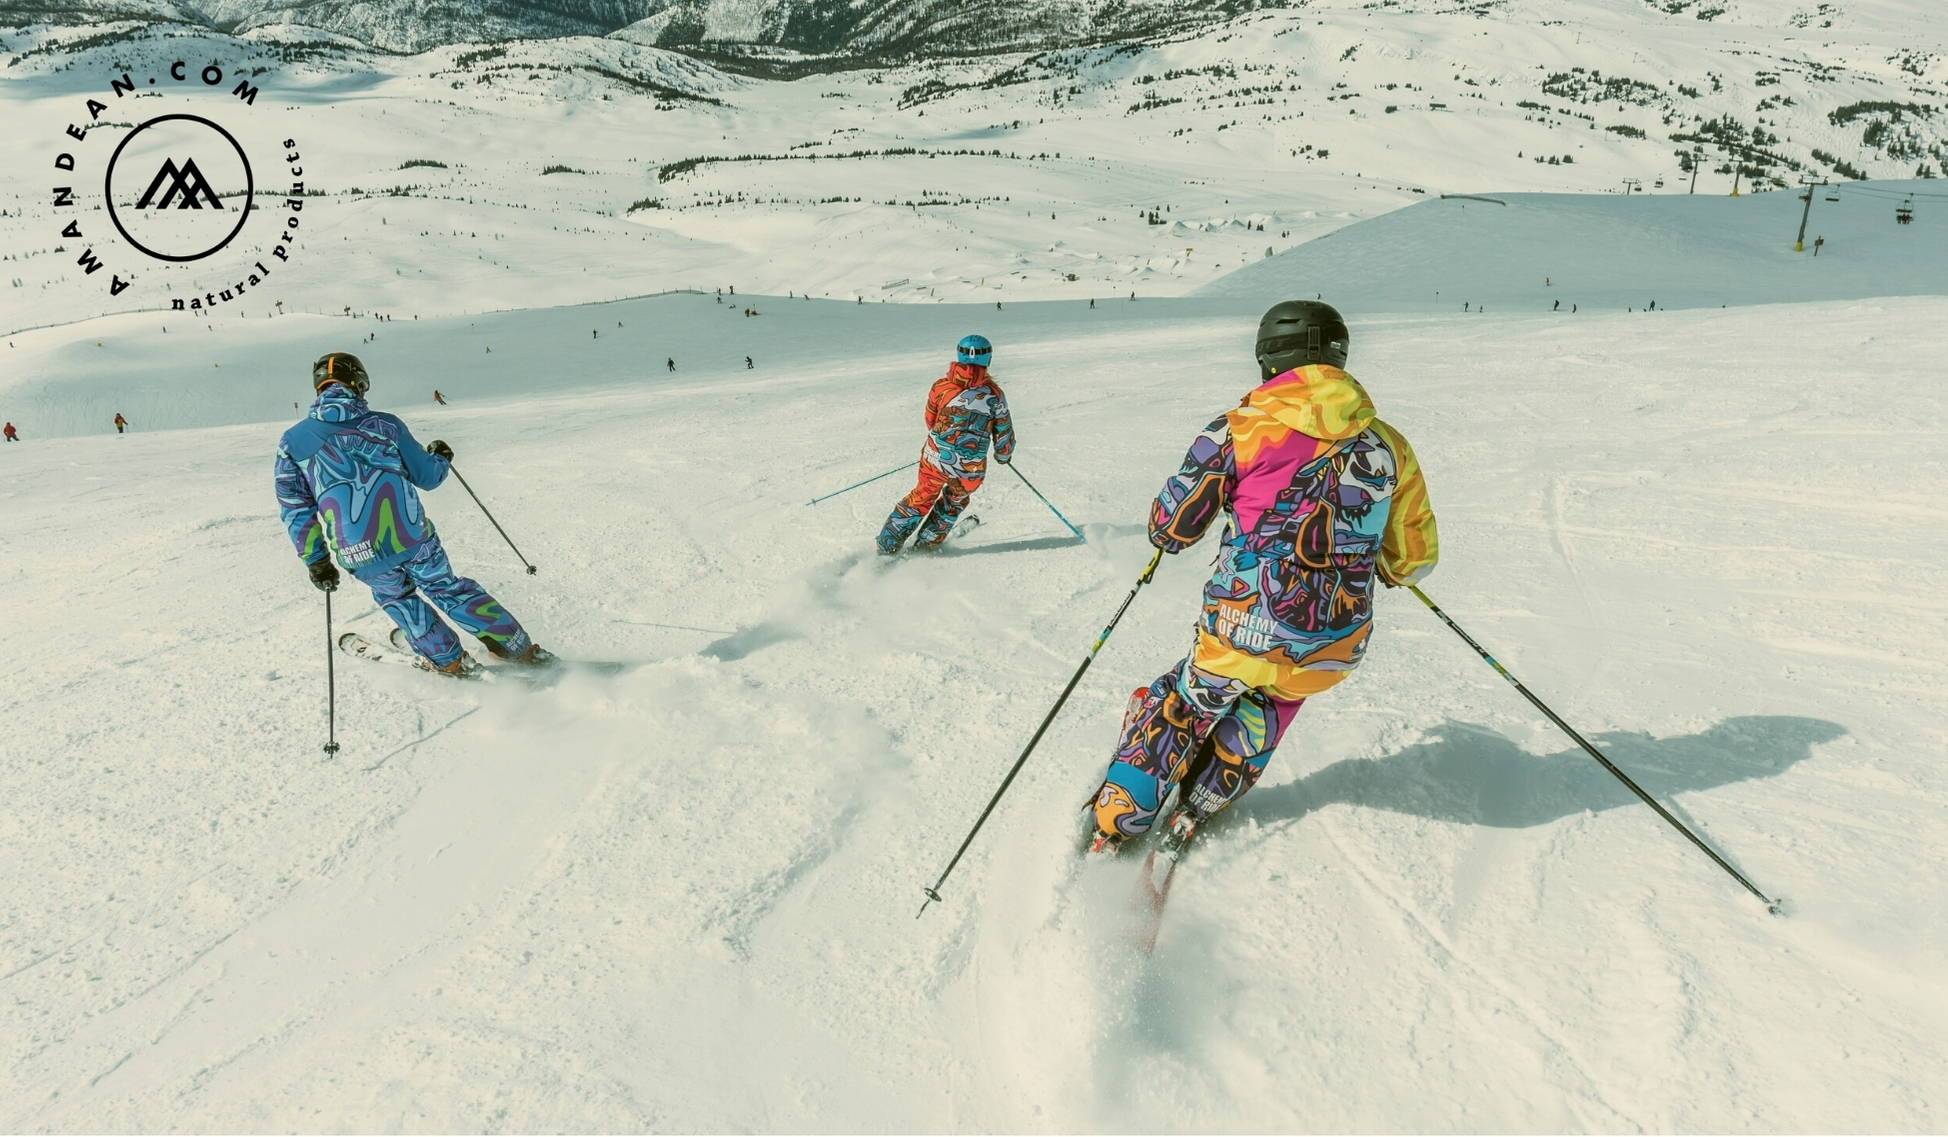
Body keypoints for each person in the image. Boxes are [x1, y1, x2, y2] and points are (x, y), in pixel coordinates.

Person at [1085, 301, 1439, 856]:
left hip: (1240, 627)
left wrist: (1168, 535)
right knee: (1273, 703)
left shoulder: (1239, 429)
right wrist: (1385, 563)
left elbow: (1173, 526)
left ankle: (1119, 817)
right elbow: (1411, 558)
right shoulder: (1388, 444)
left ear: (1269, 359)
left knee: (1187, 701)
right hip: (1333, 642)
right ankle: (1202, 801)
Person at [274, 352, 550, 676]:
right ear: (359, 383)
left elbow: (295, 506)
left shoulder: (292, 441)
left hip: (357, 550)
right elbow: (427, 477)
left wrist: (316, 560)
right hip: (411, 536)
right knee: (447, 588)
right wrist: (441, 457)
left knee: (399, 598)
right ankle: (517, 648)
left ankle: (449, 661)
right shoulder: (385, 425)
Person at [875, 334, 1015, 555]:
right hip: (969, 468)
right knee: (955, 500)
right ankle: (927, 543)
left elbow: (930, 420)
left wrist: (942, 444)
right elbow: (1003, 431)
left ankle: (888, 543)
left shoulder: (941, 387)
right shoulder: (995, 395)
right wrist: (1003, 455)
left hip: (935, 457)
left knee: (923, 495)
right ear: (988, 359)